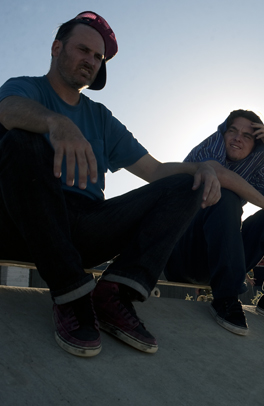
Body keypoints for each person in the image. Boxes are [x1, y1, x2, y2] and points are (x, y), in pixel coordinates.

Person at [0, 12, 221, 357]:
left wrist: (203, 167)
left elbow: (156, 170)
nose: (91, 61)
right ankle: (71, 295)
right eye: (83, 50)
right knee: (18, 140)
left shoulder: (100, 118)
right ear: (57, 48)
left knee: (184, 183)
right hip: (25, 221)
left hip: (87, 227)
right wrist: (54, 123)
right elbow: (7, 110)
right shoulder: (26, 89)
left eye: (98, 57)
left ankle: (114, 293)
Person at [165, 110, 264, 336]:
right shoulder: (212, 145)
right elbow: (219, 174)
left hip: (220, 258)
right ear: (224, 133)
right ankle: (226, 298)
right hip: (183, 254)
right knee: (223, 194)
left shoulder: (256, 162)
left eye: (246, 136)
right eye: (232, 131)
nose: (237, 138)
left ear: (256, 144)